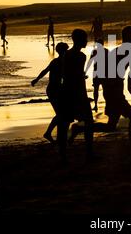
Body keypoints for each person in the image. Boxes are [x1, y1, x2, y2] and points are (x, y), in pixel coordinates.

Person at [103, 26, 131, 158]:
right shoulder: (127, 51)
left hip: (112, 89)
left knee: (111, 126)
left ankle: (79, 129)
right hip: (114, 90)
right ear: (130, 38)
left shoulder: (119, 50)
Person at [57, 29, 94, 163]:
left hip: (67, 92)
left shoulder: (67, 55)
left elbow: (64, 76)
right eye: (85, 39)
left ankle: (63, 155)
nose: (86, 41)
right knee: (88, 123)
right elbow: (77, 78)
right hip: (76, 93)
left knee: (65, 124)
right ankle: (88, 154)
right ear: (79, 40)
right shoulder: (80, 56)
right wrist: (83, 95)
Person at [31, 42, 69, 143]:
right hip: (53, 90)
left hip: (58, 89)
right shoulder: (59, 62)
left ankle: (50, 133)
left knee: (61, 114)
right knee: (61, 114)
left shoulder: (59, 61)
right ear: (63, 51)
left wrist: (36, 80)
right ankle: (49, 133)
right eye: (66, 50)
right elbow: (46, 71)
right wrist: (36, 79)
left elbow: (46, 71)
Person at [85, 38, 109, 112]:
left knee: (96, 89)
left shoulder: (95, 51)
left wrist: (85, 71)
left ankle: (96, 105)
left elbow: (90, 62)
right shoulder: (106, 51)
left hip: (97, 72)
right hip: (104, 73)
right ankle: (106, 105)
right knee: (105, 90)